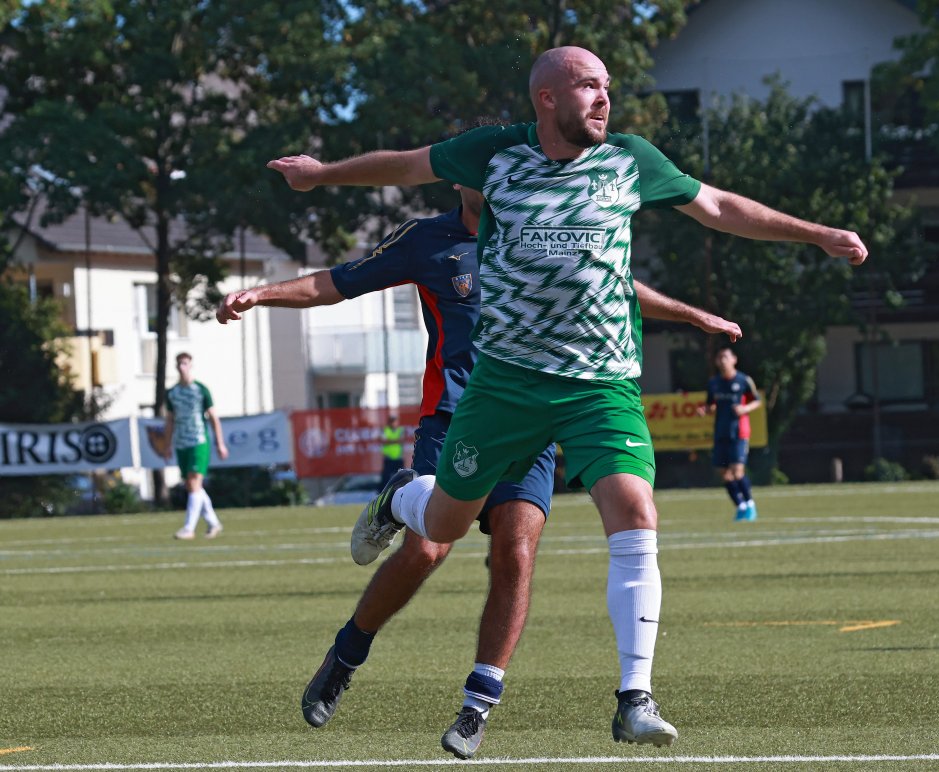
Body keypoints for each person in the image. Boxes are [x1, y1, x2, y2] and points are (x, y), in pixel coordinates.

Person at [267, 45, 866, 745]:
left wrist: (816, 234)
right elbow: (403, 163)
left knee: (634, 510)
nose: (605, 98)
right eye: (589, 86)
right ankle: (400, 495)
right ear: (547, 98)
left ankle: (634, 697)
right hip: (505, 385)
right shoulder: (492, 154)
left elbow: (718, 205)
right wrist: (320, 176)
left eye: (607, 86)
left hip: (600, 383)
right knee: (442, 525)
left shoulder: (631, 160)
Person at [217, 184, 740, 758]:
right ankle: (346, 653)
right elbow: (336, 281)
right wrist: (259, 294)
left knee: (515, 551)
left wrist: (692, 316)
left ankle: (477, 704)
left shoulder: (538, 232)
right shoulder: (427, 240)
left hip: (529, 420)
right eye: (480, 171)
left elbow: (611, 286)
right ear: (459, 178)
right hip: (453, 420)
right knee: (427, 550)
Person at [161, 352, 229, 540]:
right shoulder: (172, 393)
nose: (182, 367)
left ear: (190, 365)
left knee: (194, 482)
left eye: (185, 363)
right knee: (193, 487)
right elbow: (170, 421)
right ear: (176, 367)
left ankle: (189, 528)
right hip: (181, 442)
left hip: (198, 440)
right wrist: (167, 445)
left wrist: (220, 443)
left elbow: (213, 417)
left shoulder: (201, 390)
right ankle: (214, 523)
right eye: (180, 364)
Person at [700, 347, 762, 521]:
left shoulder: (743, 380)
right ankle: (740, 506)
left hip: (739, 431)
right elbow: (711, 404)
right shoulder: (714, 383)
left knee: (737, 471)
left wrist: (745, 408)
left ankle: (750, 505)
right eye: (719, 357)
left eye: (725, 357)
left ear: (734, 359)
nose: (722, 360)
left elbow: (756, 401)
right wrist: (704, 410)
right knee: (723, 472)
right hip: (720, 431)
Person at [380, 414, 405, 489]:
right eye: (391, 421)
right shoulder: (385, 430)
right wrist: (395, 440)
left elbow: (401, 440)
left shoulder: (400, 430)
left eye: (394, 421)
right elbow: (383, 441)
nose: (393, 423)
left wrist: (390, 440)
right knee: (386, 478)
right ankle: (383, 492)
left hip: (398, 457)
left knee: (401, 477)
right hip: (388, 457)